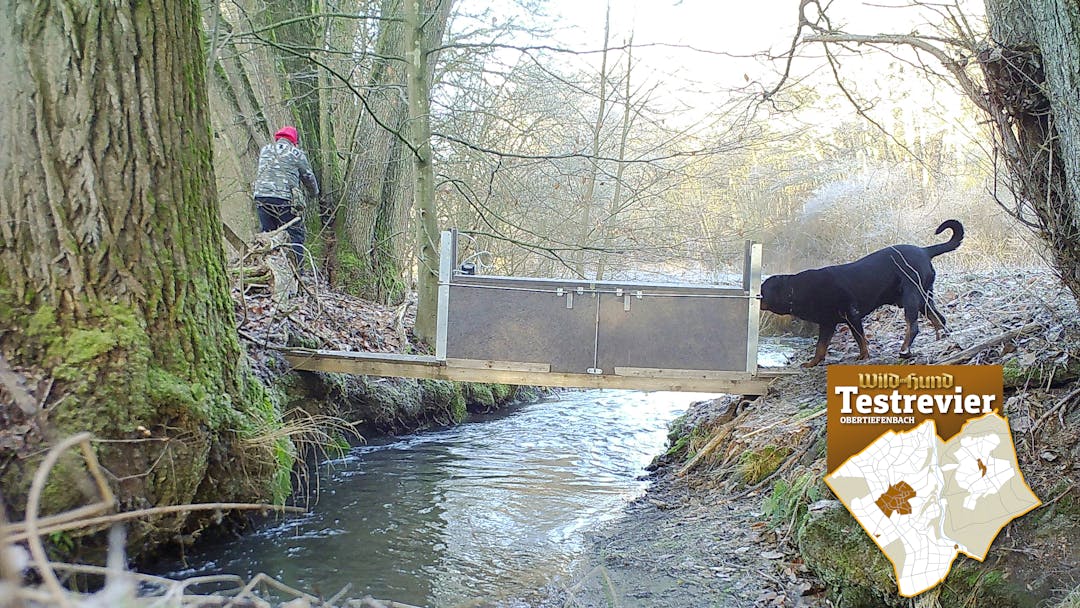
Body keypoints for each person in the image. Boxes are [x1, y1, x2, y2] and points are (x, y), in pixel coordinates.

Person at [253, 126, 319, 267]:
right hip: (284, 199)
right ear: (294, 141)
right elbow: (308, 176)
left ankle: (267, 268)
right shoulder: (296, 153)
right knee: (295, 235)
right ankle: (297, 272)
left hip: (261, 197)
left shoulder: (265, 150)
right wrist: (314, 193)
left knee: (267, 234)